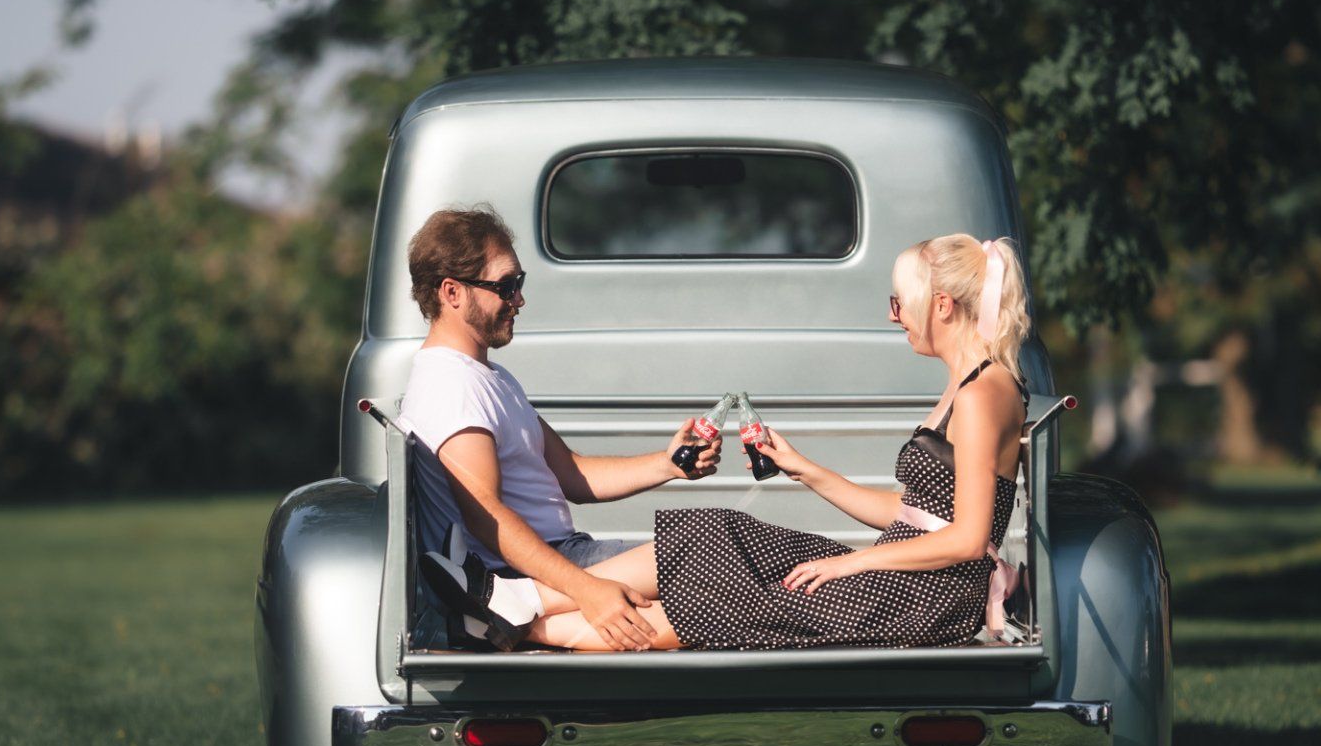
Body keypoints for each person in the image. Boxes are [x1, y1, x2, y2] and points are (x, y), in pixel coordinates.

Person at [420, 233, 1031, 652]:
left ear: (942, 306)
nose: (897, 315)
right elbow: (913, 515)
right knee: (720, 531)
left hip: (928, 594)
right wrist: (800, 468)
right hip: (912, 574)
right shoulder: (966, 389)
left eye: (903, 302)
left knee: (723, 603)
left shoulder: (982, 394)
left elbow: (967, 537)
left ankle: (516, 619)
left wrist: (851, 560)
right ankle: (513, 604)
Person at [401, 206, 721, 653]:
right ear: (452, 293)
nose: (519, 301)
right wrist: (586, 592)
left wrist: (667, 465)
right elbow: (487, 519)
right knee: (711, 544)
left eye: (520, 284)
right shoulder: (453, 386)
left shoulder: (488, 378)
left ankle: (514, 624)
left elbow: (571, 473)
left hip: (557, 557)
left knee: (719, 587)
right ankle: (512, 612)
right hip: (524, 571)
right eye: (506, 286)